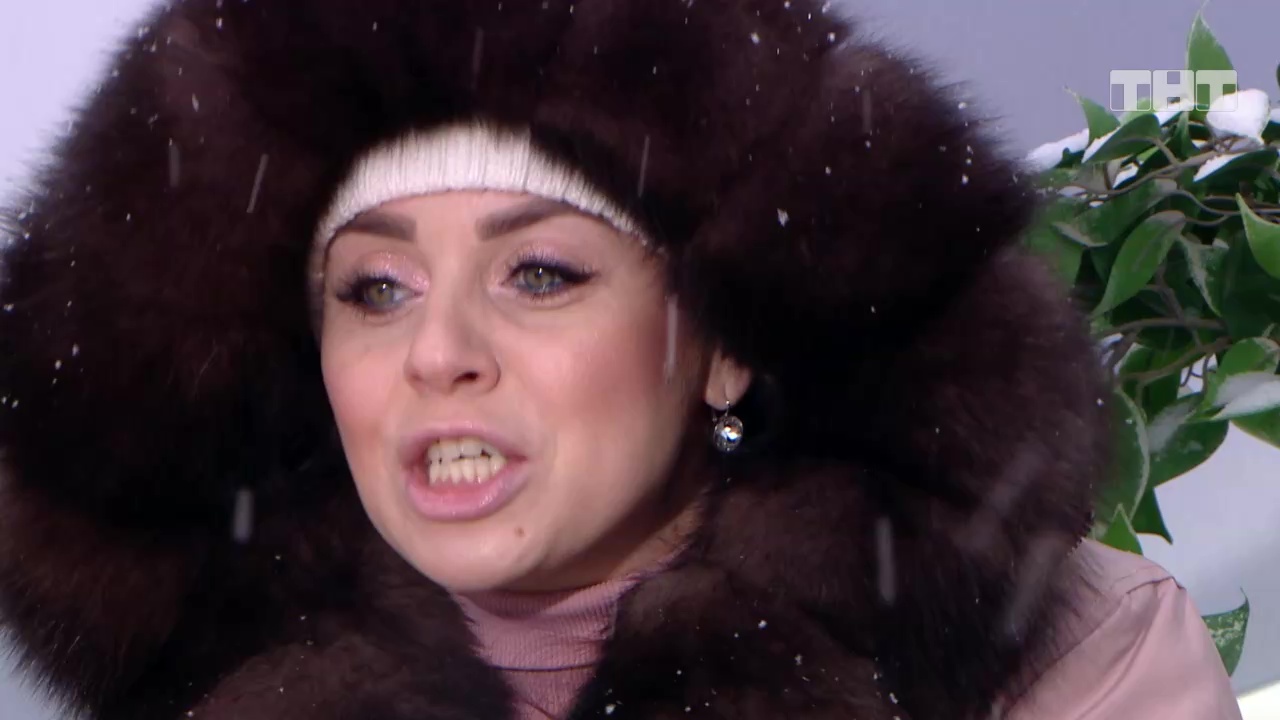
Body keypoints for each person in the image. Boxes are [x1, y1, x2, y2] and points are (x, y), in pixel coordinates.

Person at [0, 1, 1240, 718]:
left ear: (719, 347)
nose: (438, 354)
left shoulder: (1077, 658)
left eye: (539, 273)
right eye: (374, 290)